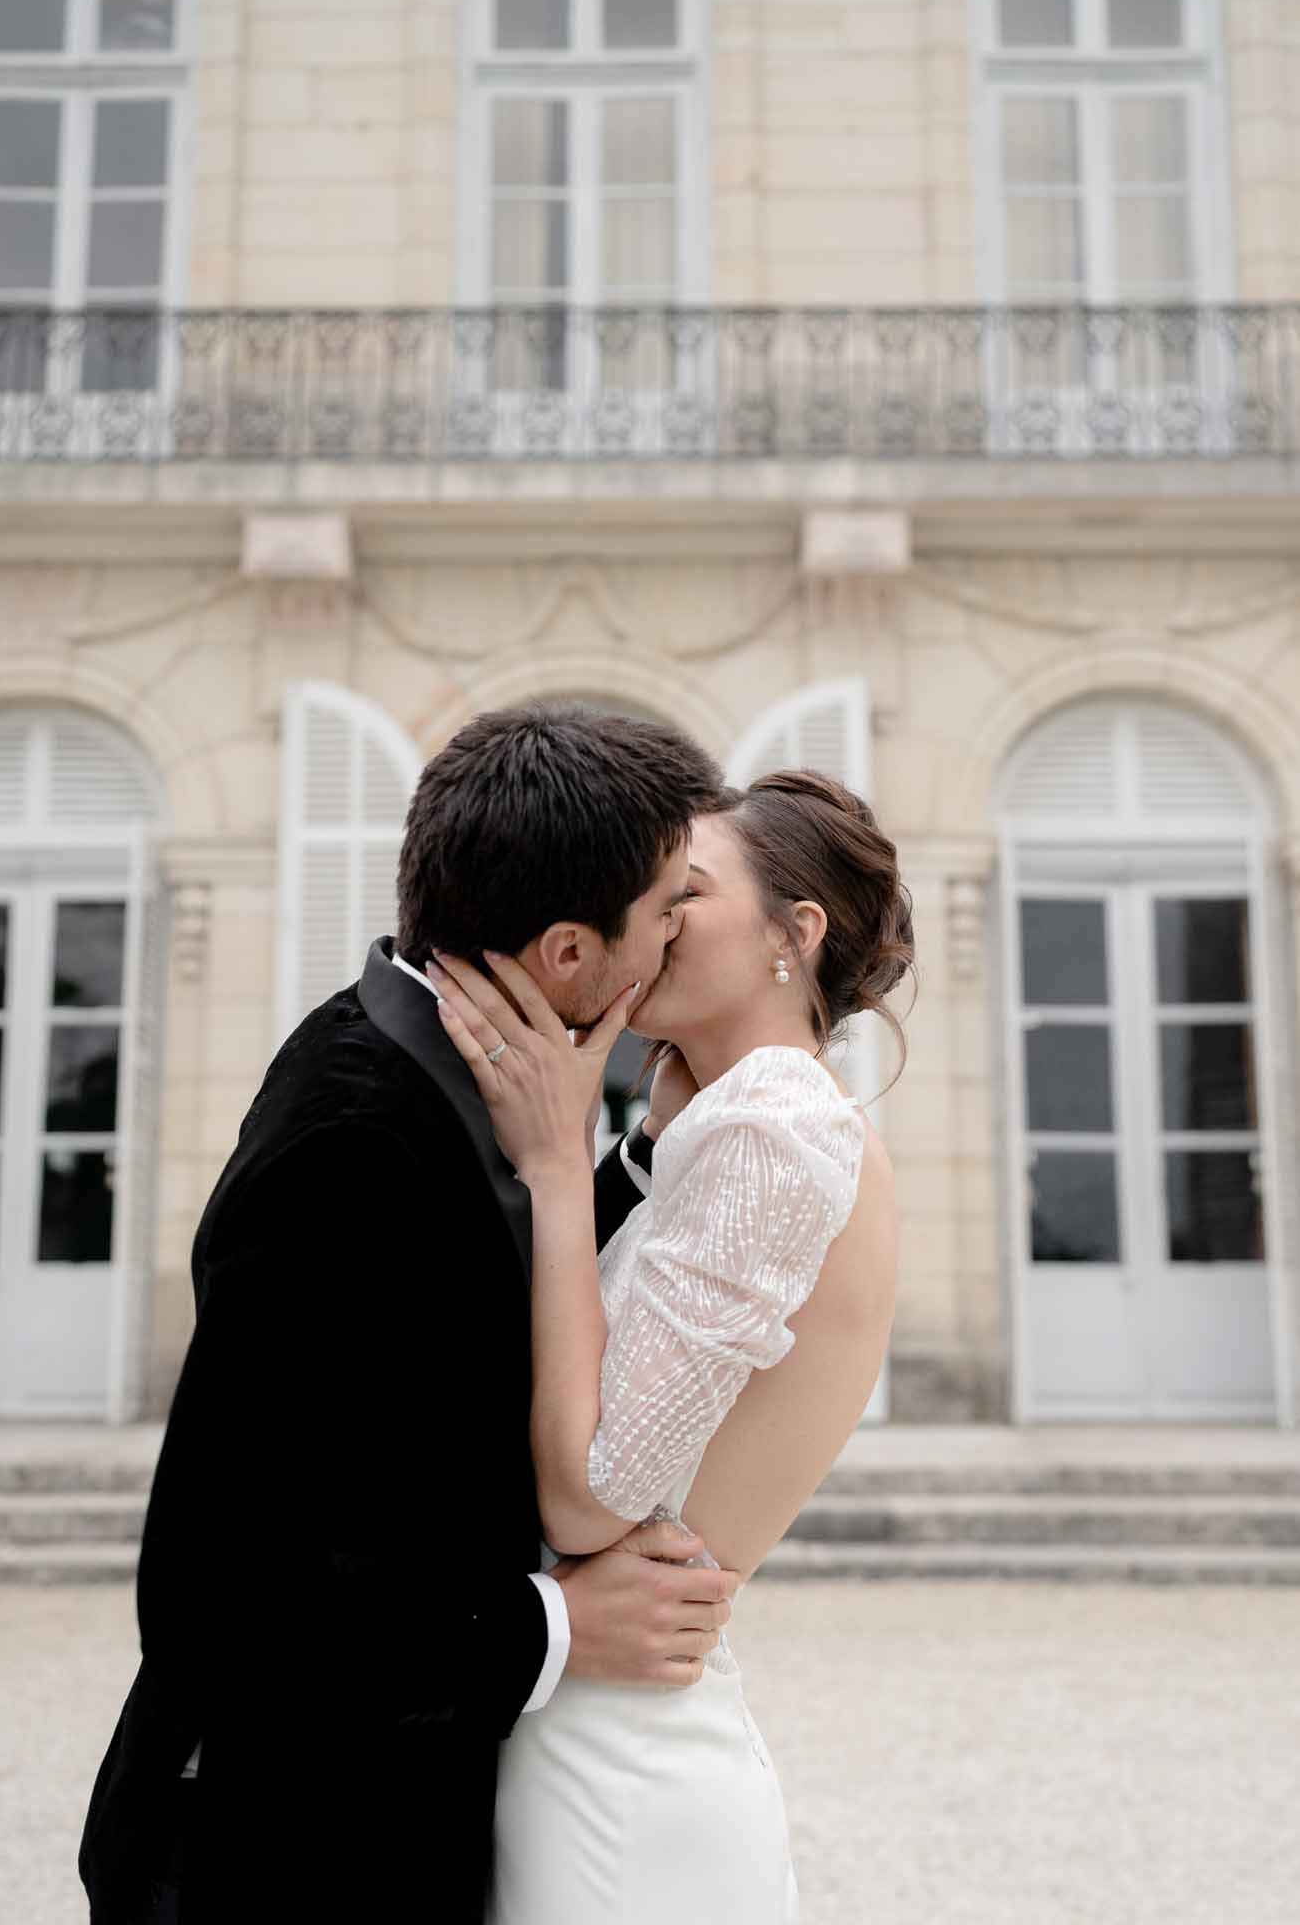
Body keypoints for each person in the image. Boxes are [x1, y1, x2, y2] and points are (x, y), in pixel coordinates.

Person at [78, 702, 732, 1925]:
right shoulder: (350, 1140)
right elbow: (234, 1597)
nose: (678, 933)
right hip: (279, 1852)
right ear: (569, 954)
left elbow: (470, 1298)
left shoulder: (438, 1055)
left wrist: (632, 1158)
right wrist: (553, 1625)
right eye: (664, 907)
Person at [431, 768, 911, 1924]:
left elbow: (594, 1495)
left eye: (683, 890)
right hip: (607, 1723)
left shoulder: (777, 1122)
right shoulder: (738, 1120)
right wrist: (634, 1146)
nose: (647, 915)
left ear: (793, 932)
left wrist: (557, 1165)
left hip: (621, 1770)